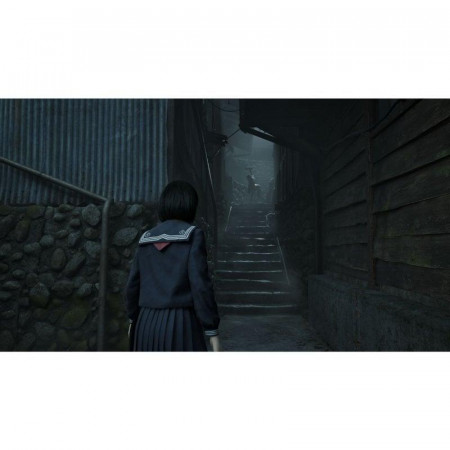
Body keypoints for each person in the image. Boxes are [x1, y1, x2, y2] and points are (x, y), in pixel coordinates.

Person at [124, 180, 221, 351]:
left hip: (145, 324)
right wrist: (211, 328)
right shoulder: (193, 235)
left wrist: (132, 319)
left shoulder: (146, 238)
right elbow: (200, 286)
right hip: (181, 325)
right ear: (190, 205)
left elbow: (132, 286)